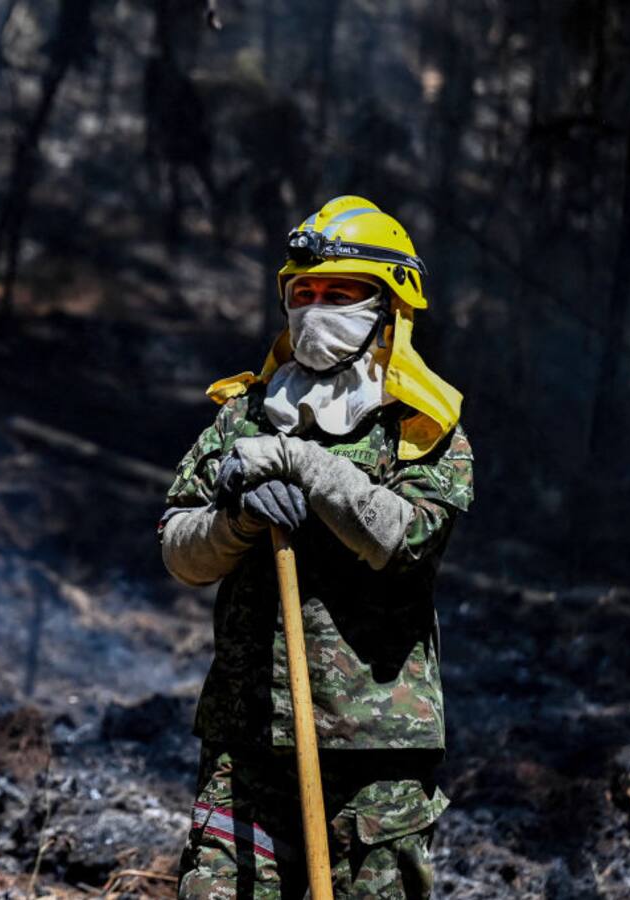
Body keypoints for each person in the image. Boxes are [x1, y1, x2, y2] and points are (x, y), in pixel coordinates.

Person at [159, 195, 474, 899]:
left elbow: (406, 539)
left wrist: (304, 465)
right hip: (247, 743)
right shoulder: (241, 413)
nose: (318, 308)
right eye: (305, 293)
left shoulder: (423, 428)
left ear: (389, 307)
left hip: (377, 752)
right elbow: (180, 552)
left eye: (341, 293)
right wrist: (234, 520)